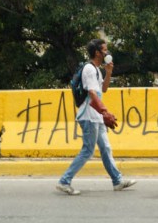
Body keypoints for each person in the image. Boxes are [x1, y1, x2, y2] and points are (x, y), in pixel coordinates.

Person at [56, 39, 136, 195]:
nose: (107, 53)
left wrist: (109, 72)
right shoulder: (89, 69)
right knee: (88, 150)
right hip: (89, 115)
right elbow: (92, 94)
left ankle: (117, 180)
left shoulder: (97, 70)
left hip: (96, 116)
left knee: (105, 148)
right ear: (97, 53)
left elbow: (103, 90)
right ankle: (64, 181)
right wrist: (105, 112)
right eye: (105, 50)